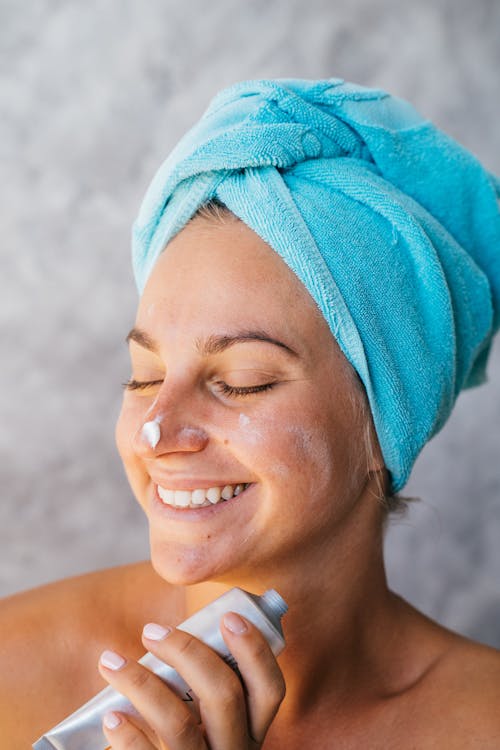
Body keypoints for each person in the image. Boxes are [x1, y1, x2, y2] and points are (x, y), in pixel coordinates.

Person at [2, 77, 500, 749]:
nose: (157, 431)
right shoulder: (15, 673)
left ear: (385, 428)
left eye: (241, 381)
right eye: (145, 376)